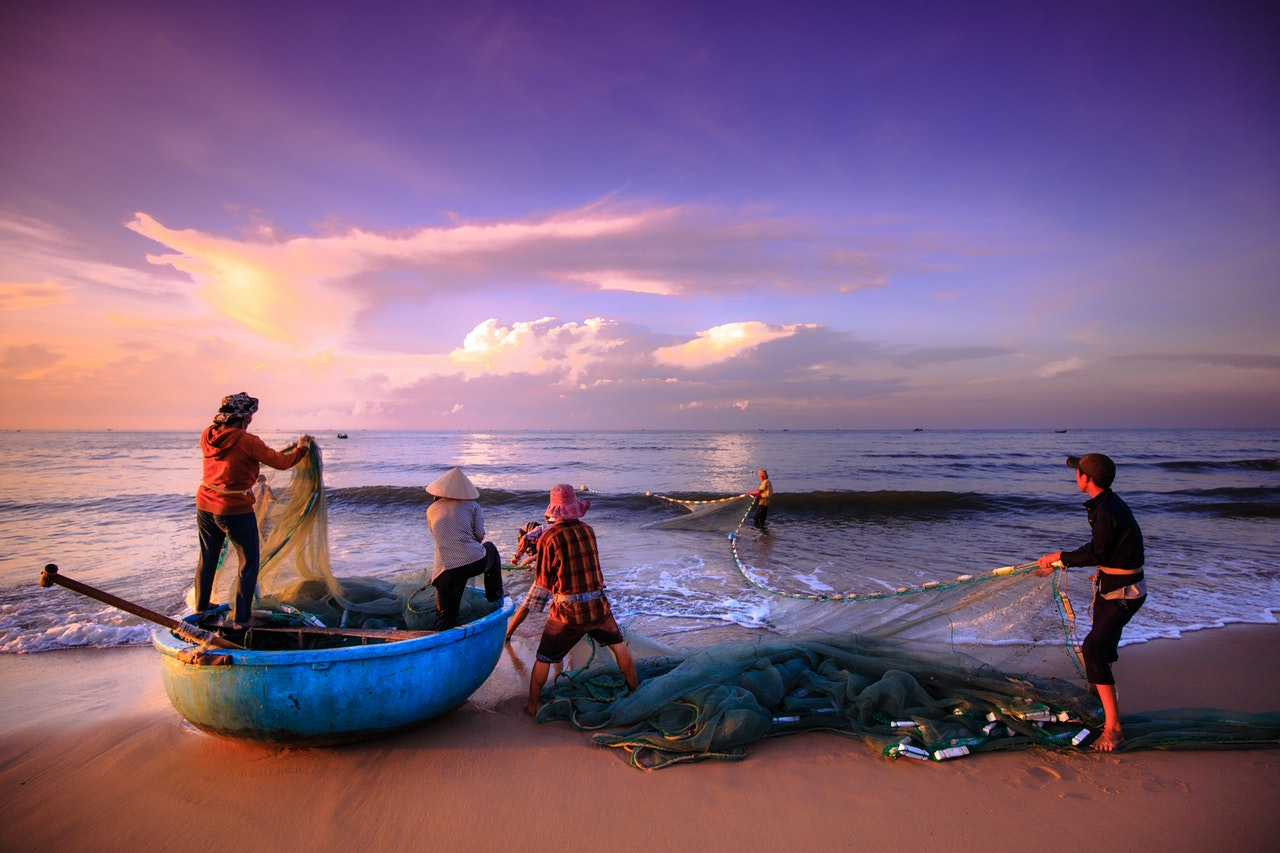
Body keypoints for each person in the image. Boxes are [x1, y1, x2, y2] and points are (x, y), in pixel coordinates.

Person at [1035, 453, 1146, 752]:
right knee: (1104, 648)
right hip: (1109, 587)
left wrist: (1060, 557)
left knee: (1094, 648)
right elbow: (1103, 551)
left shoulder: (1107, 510)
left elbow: (1096, 552)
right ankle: (1097, 708)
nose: (1076, 476)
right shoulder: (1104, 504)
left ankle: (1114, 728)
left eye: (1078, 472)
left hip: (1125, 593)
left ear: (1087, 479)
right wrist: (1059, 559)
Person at [194, 392, 312, 629]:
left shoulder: (208, 435)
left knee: (208, 556)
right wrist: (301, 450)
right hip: (233, 508)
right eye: (249, 417)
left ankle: (201, 606)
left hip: (205, 502)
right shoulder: (248, 441)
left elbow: (238, 461)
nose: (250, 421)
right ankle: (242, 619)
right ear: (242, 418)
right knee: (249, 561)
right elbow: (280, 462)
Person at [526, 484, 639, 715]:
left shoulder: (548, 538)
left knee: (544, 657)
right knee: (619, 647)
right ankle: (635, 693)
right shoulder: (588, 530)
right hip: (598, 607)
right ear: (575, 507)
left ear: (553, 511)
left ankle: (531, 705)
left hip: (567, 613)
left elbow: (544, 582)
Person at [425, 467, 504, 630]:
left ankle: (441, 645)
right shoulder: (472, 505)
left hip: (443, 570)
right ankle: (494, 594)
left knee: (445, 616)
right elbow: (480, 536)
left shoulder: (431, 509)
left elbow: (438, 537)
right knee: (490, 549)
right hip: (473, 562)